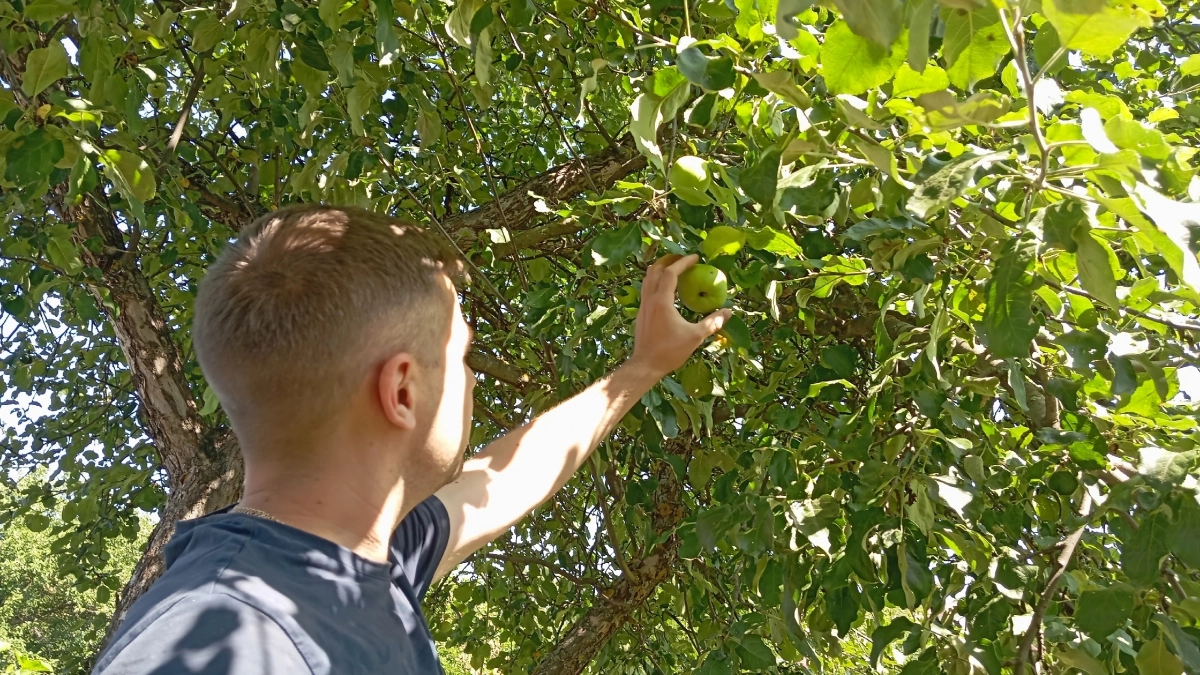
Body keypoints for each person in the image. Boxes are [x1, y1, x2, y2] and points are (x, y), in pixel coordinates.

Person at [92, 204, 731, 674]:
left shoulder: (362, 558)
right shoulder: (227, 637)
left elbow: (504, 479)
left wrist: (643, 367)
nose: (472, 380)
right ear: (401, 390)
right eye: (462, 358)